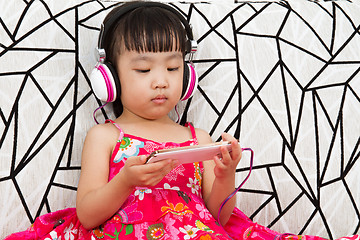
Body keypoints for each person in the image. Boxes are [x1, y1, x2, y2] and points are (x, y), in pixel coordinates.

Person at [5, 1, 359, 240]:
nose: (161, 81)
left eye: (173, 68)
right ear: (108, 78)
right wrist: (126, 181)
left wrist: (224, 174)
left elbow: (219, 218)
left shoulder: (197, 137)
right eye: (143, 69)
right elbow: (87, 214)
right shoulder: (106, 136)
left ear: (187, 76)